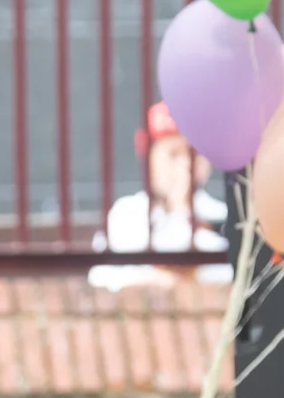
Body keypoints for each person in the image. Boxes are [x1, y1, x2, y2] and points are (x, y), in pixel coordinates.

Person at [89, 100, 230, 292]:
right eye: (173, 154)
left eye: (194, 153)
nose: (185, 165)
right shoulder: (127, 215)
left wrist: (183, 213)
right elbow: (103, 279)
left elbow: (228, 278)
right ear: (149, 159)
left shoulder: (221, 217)